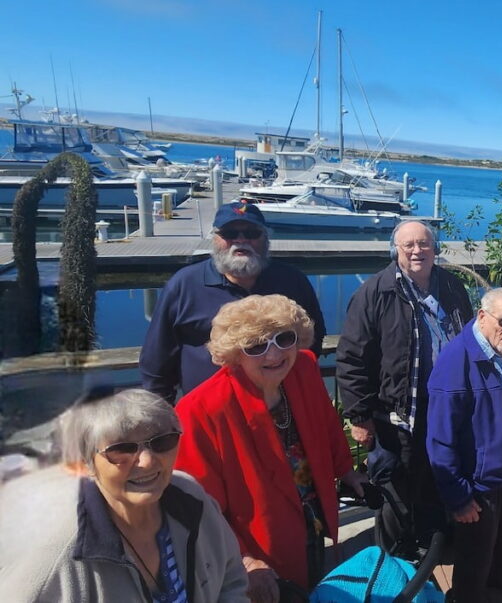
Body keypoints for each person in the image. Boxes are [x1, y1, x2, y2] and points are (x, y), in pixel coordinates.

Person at [174, 294, 365, 598]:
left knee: (311, 585)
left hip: (312, 518)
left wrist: (347, 470)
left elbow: (327, 423)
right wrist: (243, 559)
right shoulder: (201, 410)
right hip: (257, 543)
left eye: (284, 338)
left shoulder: (302, 368)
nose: (274, 354)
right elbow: (199, 506)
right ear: (236, 353)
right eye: (256, 346)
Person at [1, 389, 248, 602]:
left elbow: (231, 576)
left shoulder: (189, 497)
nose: (147, 461)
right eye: (121, 450)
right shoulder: (60, 551)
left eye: (162, 442)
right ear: (88, 464)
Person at [336, 220, 473, 553]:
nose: (417, 251)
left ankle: (430, 543)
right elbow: (351, 358)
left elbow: (472, 337)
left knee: (436, 474)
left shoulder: (452, 286)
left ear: (435, 248)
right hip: (398, 412)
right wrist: (359, 415)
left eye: (424, 244)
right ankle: (397, 556)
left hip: (446, 409)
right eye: (408, 245)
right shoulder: (375, 292)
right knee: (398, 485)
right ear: (394, 249)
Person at [140, 201, 325, 403]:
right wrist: (163, 419)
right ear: (215, 238)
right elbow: (156, 362)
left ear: (266, 238)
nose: (240, 240)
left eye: (251, 233)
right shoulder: (183, 285)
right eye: (229, 233)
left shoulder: (292, 280)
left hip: (281, 407)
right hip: (210, 412)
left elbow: (312, 340)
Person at [426, 288, 502, 602]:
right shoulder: (456, 362)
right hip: (482, 483)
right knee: (476, 557)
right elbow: (440, 438)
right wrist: (458, 497)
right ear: (481, 316)